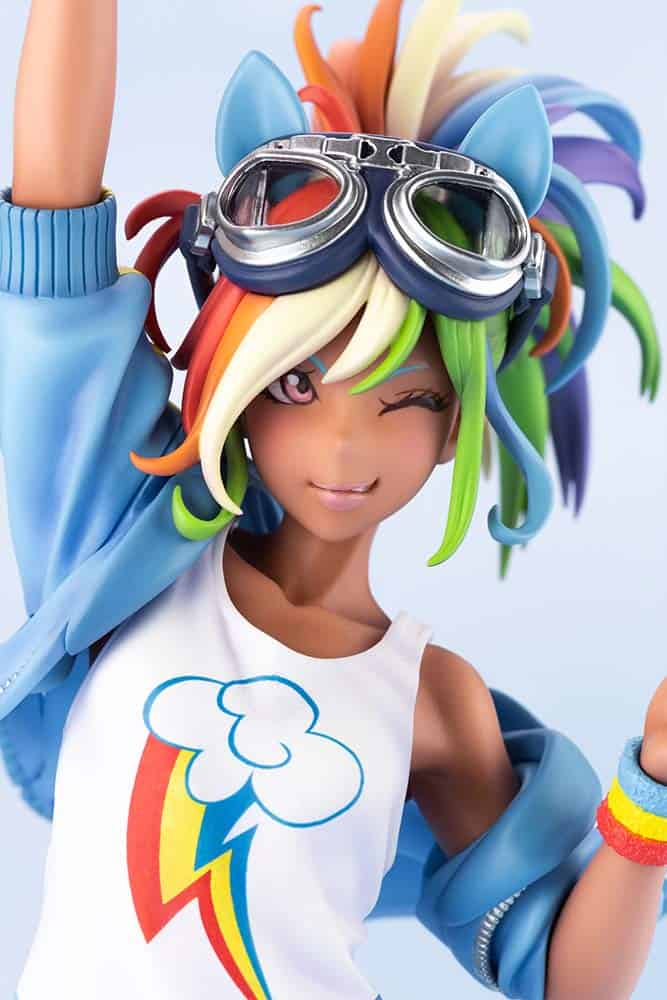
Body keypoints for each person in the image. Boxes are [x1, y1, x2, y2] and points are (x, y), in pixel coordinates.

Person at [1, 1, 666, 997]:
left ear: (459, 423)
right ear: (234, 379)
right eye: (295, 385)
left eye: (409, 400)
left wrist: (654, 781)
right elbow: (51, 238)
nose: (345, 446)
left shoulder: (433, 701)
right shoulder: (126, 548)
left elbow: (566, 978)